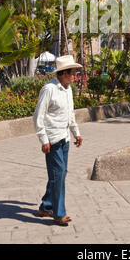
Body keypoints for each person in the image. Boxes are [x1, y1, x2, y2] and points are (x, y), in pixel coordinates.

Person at [33, 55, 83, 227]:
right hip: (53, 140)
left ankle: (46, 206)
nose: (75, 76)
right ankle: (58, 213)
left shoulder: (68, 89)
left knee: (59, 174)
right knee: (58, 174)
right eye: (73, 73)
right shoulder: (49, 89)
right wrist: (43, 139)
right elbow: (38, 116)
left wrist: (76, 133)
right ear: (62, 73)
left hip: (65, 139)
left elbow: (70, 114)